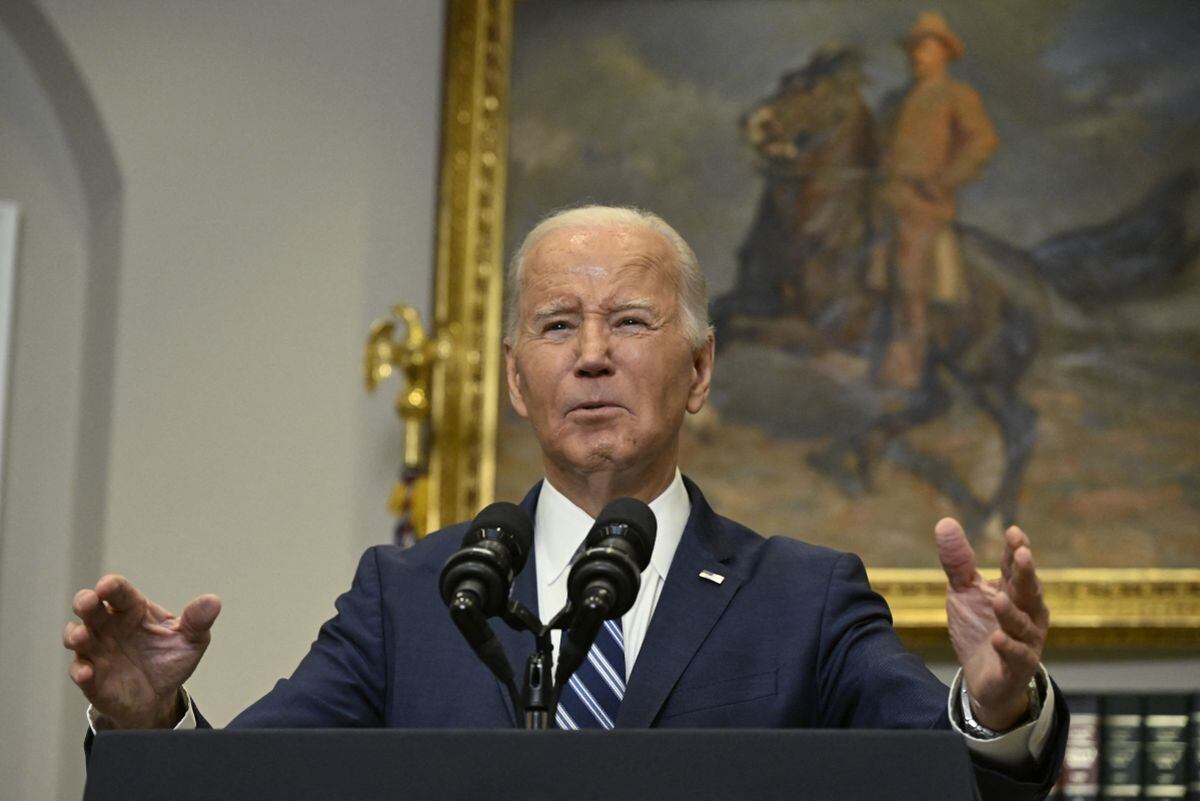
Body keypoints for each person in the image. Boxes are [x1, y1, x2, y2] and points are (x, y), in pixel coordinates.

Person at [65, 205, 1065, 797]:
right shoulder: (411, 597)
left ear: (702, 369)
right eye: (556, 325)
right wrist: (150, 726)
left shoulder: (806, 600)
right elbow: (248, 794)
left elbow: (948, 784)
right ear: (514, 379)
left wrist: (994, 704)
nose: (591, 355)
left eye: (630, 320)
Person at [869, 11, 999, 389]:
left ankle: (911, 364)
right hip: (884, 199)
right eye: (913, 49)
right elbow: (881, 144)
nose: (916, 56)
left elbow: (983, 142)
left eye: (925, 48)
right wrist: (882, 159)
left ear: (944, 52)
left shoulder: (957, 96)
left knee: (909, 274)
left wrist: (943, 180)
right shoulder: (896, 100)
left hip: (923, 205)